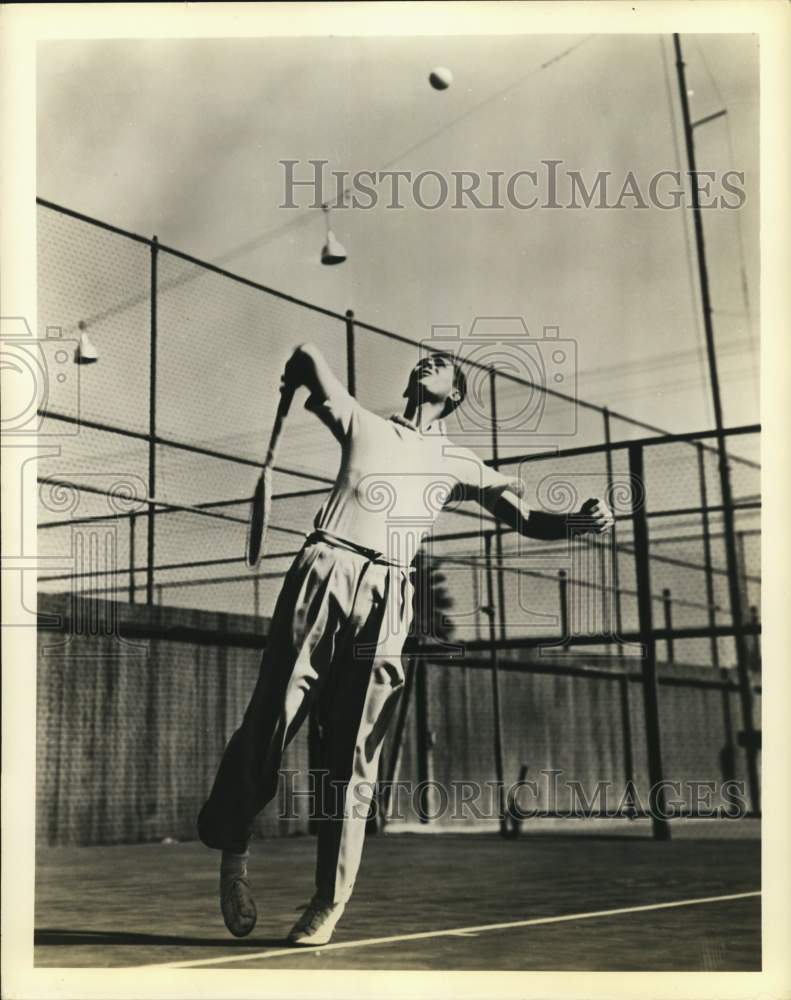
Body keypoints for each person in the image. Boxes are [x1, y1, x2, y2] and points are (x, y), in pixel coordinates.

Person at [197, 342, 613, 946]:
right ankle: (233, 852)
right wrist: (299, 364)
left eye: (439, 364)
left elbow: (526, 518)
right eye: (422, 361)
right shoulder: (363, 423)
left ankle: (327, 901)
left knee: (354, 754)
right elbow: (312, 355)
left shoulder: (459, 462)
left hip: (389, 595)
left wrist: (576, 521)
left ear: (456, 393)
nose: (425, 363)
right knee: (269, 723)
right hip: (323, 570)